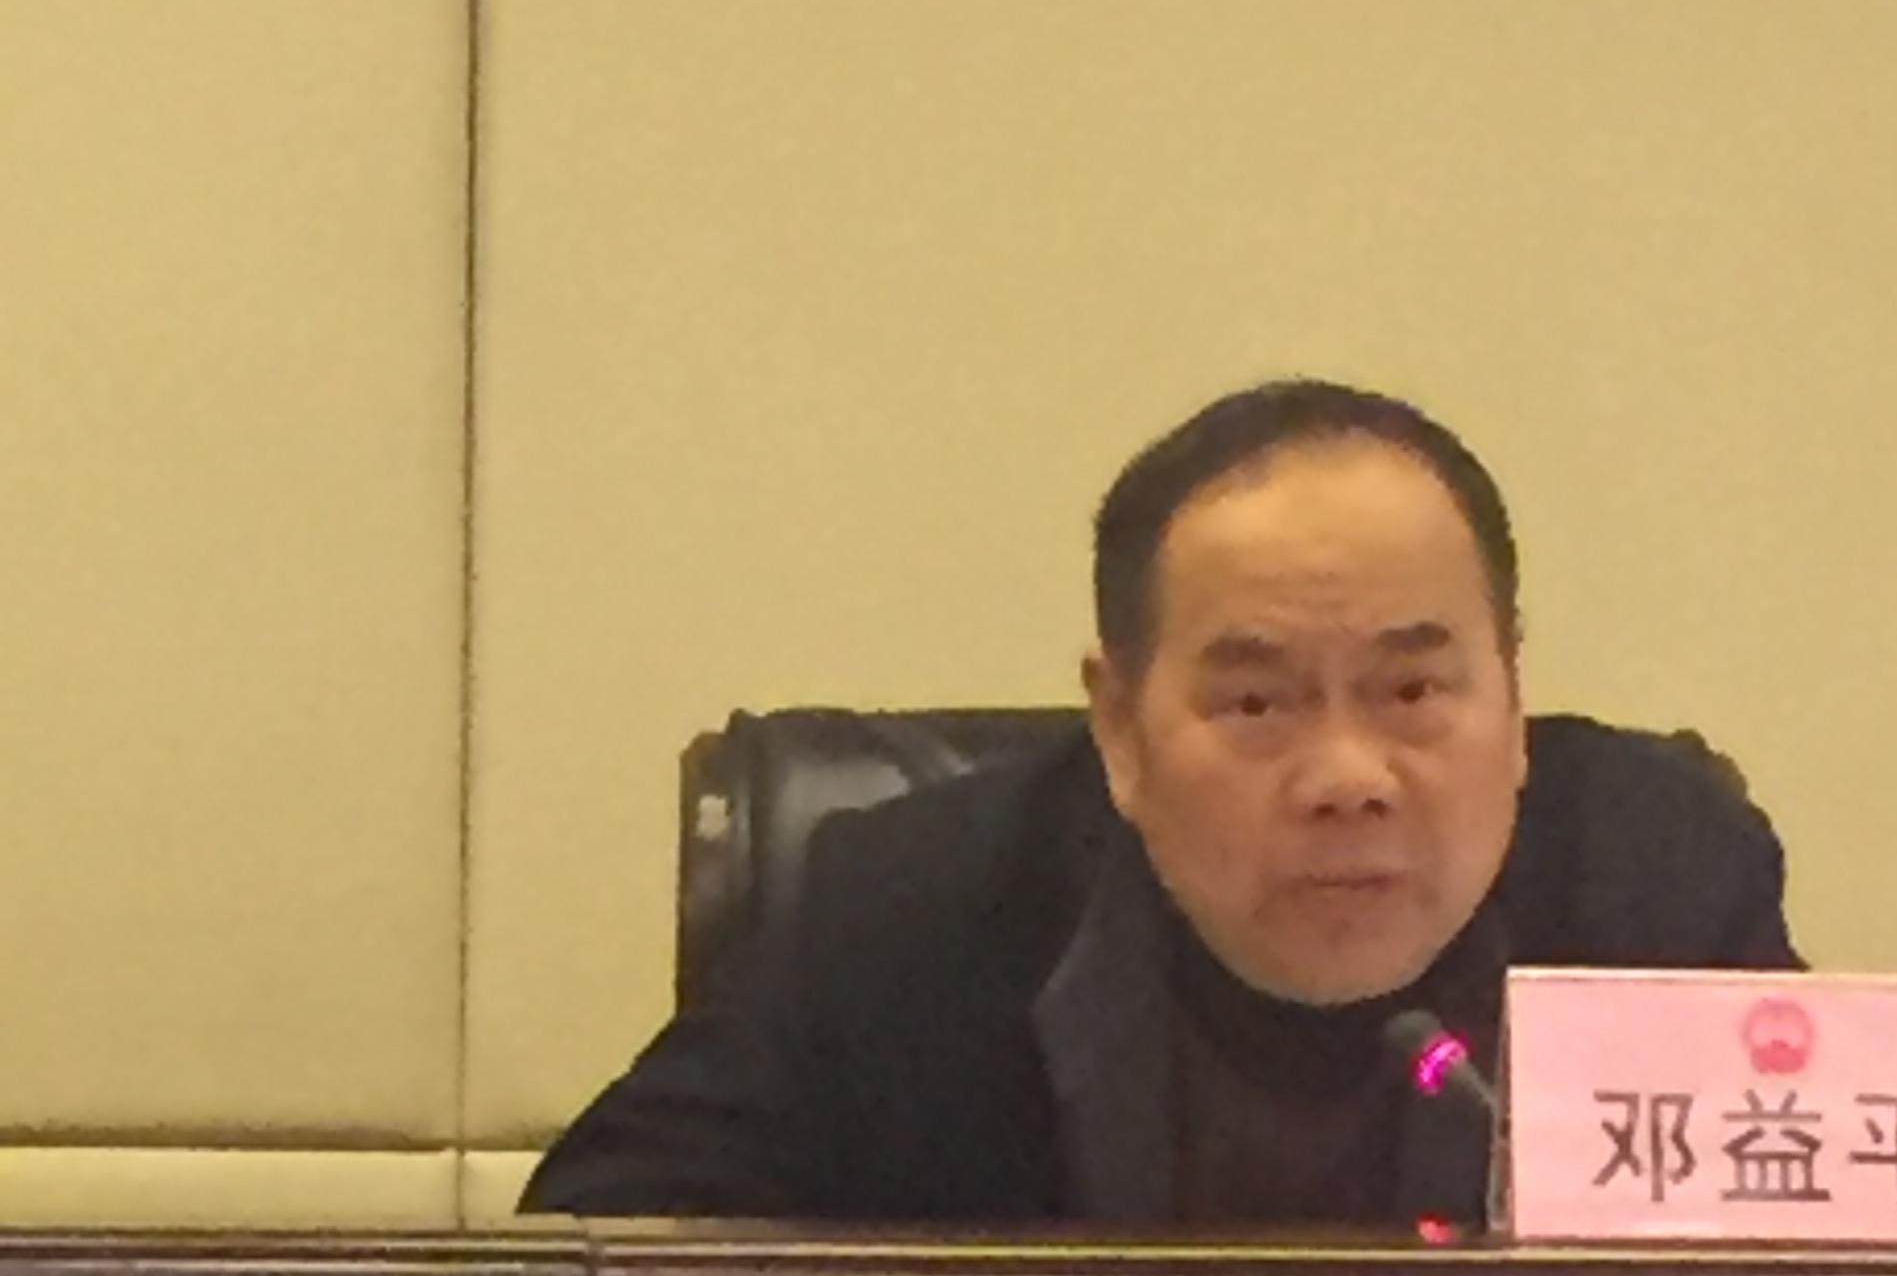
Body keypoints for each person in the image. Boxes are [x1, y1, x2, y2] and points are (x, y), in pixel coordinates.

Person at [523, 379, 1798, 1225]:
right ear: (1121, 731)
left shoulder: (1663, 902)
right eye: (1256, 702)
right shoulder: (908, 921)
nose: (1348, 777)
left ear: (1515, 702)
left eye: (1413, 690)